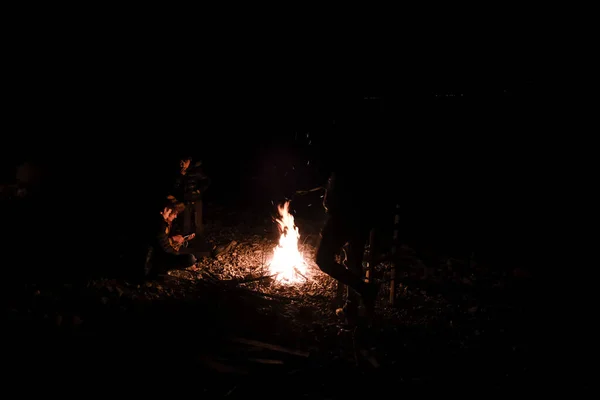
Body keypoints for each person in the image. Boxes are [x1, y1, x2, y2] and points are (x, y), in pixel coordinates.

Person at [146, 201, 198, 278]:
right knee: (190, 259)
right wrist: (174, 241)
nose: (176, 216)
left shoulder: (168, 223)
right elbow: (164, 246)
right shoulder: (159, 224)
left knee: (190, 256)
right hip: (153, 261)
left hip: (160, 256)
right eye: (174, 213)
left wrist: (183, 238)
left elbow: (171, 237)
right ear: (166, 210)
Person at [169, 156, 211, 238]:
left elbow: (206, 181)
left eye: (185, 161)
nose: (182, 164)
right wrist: (181, 176)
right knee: (186, 221)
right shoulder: (179, 172)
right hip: (185, 200)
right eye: (181, 161)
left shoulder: (196, 170)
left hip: (196, 198)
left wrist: (199, 190)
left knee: (198, 221)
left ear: (189, 161)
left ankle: (199, 238)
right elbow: (175, 186)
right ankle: (185, 238)